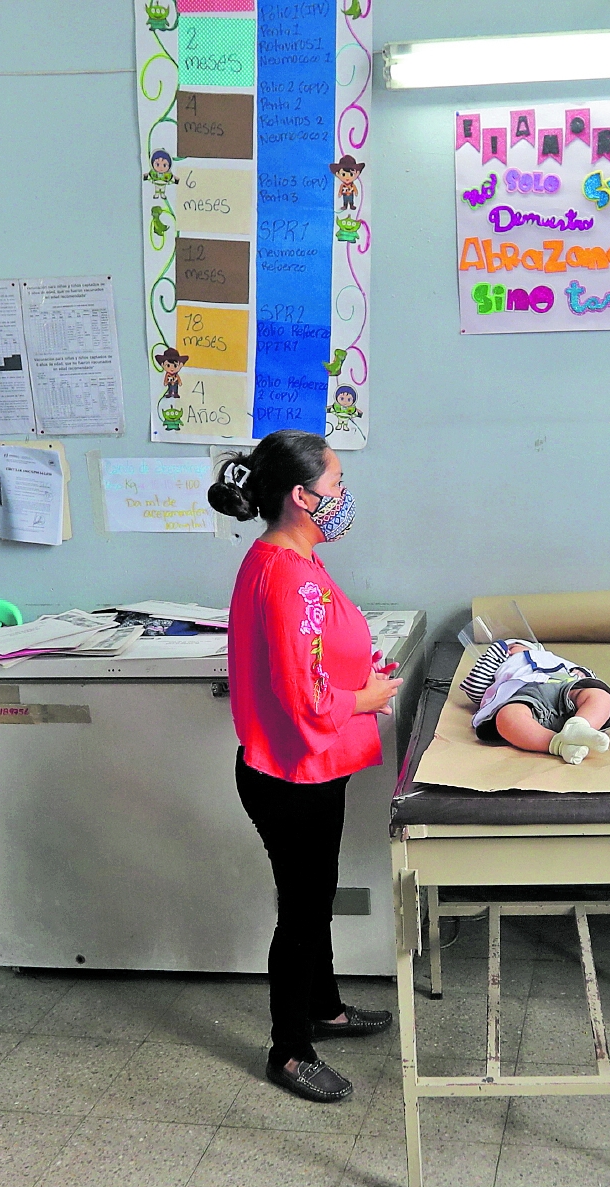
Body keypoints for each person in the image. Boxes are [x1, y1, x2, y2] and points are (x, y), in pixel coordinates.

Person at [210, 429, 400, 1104]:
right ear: (301, 495)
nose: (344, 496)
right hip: (294, 774)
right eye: (338, 485)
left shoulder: (284, 557)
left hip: (304, 765)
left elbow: (310, 660)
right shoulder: (288, 577)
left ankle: (325, 1006)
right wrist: (369, 696)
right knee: (302, 910)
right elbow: (305, 699)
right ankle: (289, 1050)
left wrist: (360, 673)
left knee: (315, 897)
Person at [459, 638, 610, 763]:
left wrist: (581, 672)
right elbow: (476, 688)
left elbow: (589, 677)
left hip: (562, 690)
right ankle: (559, 745)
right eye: (512, 647)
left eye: (518, 645)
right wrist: (497, 650)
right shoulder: (506, 664)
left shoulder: (549, 658)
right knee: (507, 717)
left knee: (600, 696)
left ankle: (580, 726)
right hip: (526, 696)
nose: (515, 647)